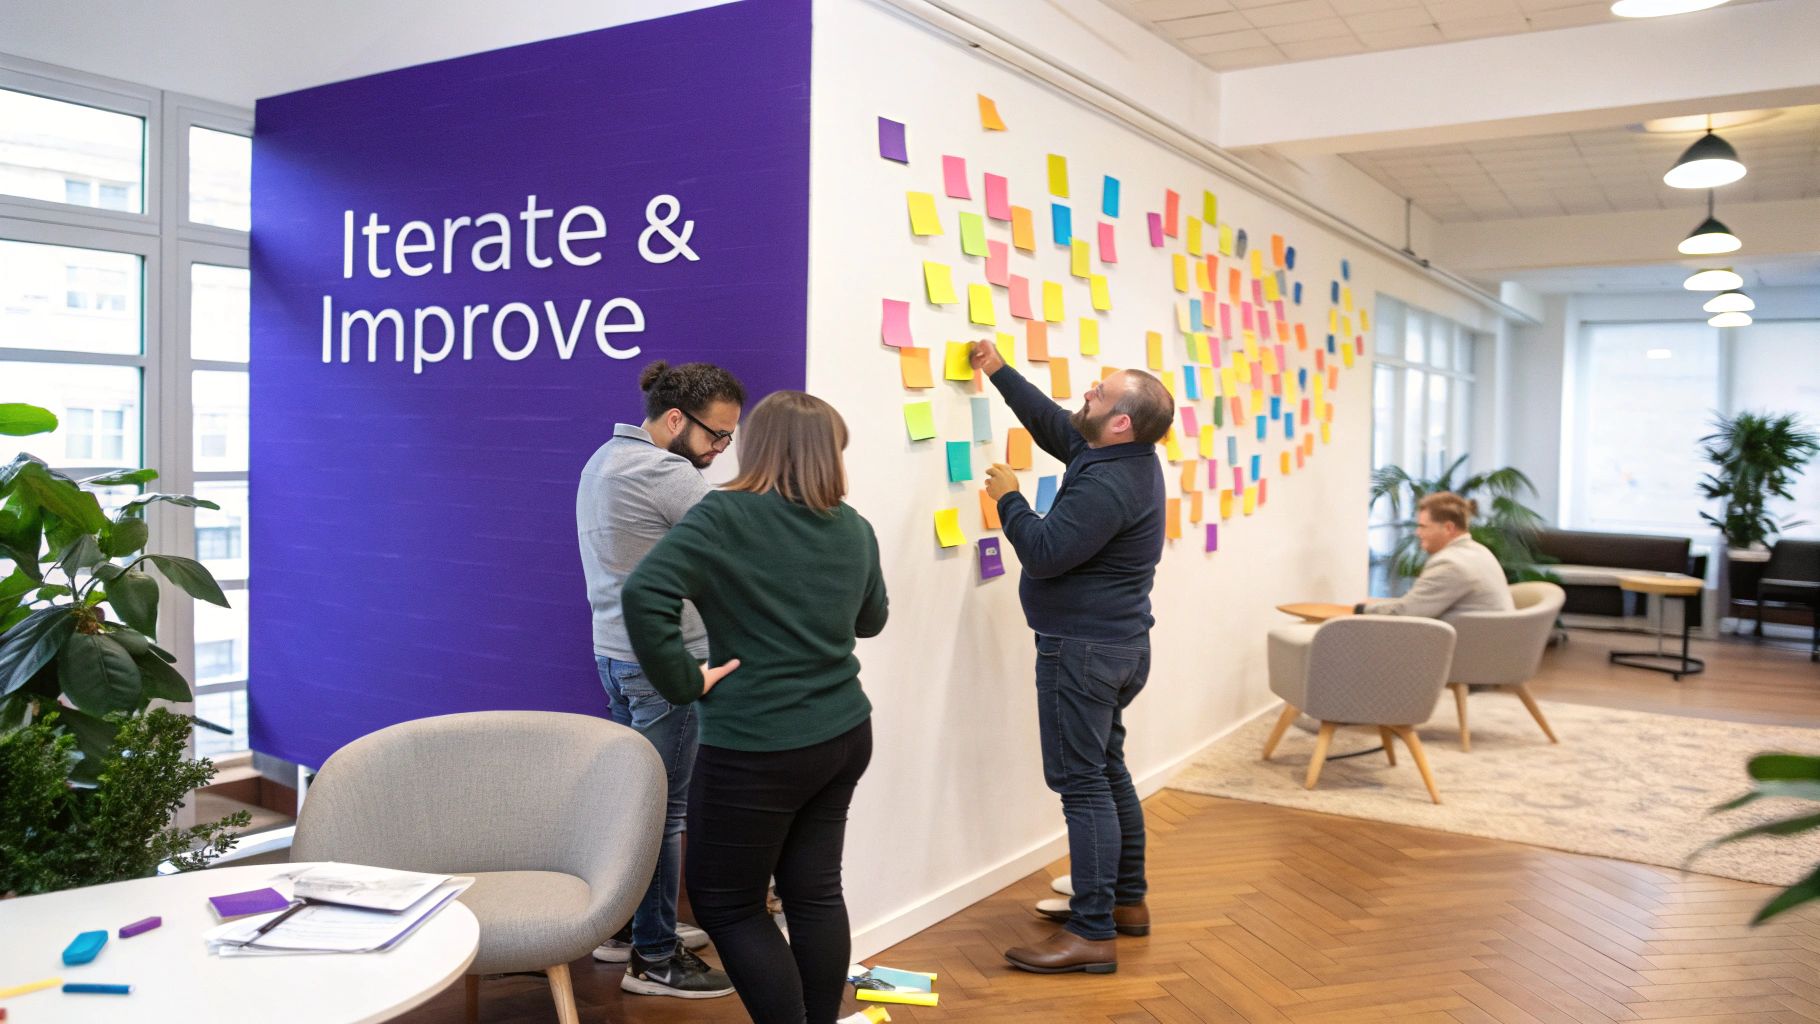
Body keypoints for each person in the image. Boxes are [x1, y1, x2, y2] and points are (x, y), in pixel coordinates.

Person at [623, 390, 888, 1024]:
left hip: (759, 746)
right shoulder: (852, 526)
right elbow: (872, 620)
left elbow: (644, 593)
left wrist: (685, 681)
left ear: (759, 446)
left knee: (727, 904)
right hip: (844, 733)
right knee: (815, 893)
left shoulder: (725, 516)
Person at [969, 339, 1172, 976]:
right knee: (1106, 772)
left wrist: (1008, 497)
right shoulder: (1120, 455)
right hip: (1116, 644)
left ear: (1121, 421)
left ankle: (1090, 932)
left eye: (1100, 393)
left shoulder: (1111, 480)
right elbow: (1055, 425)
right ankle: (1126, 905)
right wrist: (1000, 371)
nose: (1087, 392)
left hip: (1082, 651)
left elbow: (1048, 550)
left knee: (1082, 786)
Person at [575, 360, 744, 999]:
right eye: (715, 436)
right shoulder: (665, 471)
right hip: (664, 664)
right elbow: (737, 541)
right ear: (676, 420)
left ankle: (630, 926)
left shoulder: (604, 458)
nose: (721, 451)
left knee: (639, 801)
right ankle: (654, 955)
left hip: (616, 655)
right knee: (664, 811)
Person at [1354, 491, 1513, 621]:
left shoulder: (1450, 564)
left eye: (1423, 526)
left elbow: (1406, 612)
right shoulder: (1480, 551)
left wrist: (1360, 609)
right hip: (1492, 647)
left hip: (1468, 652)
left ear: (1448, 528)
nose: (1418, 532)